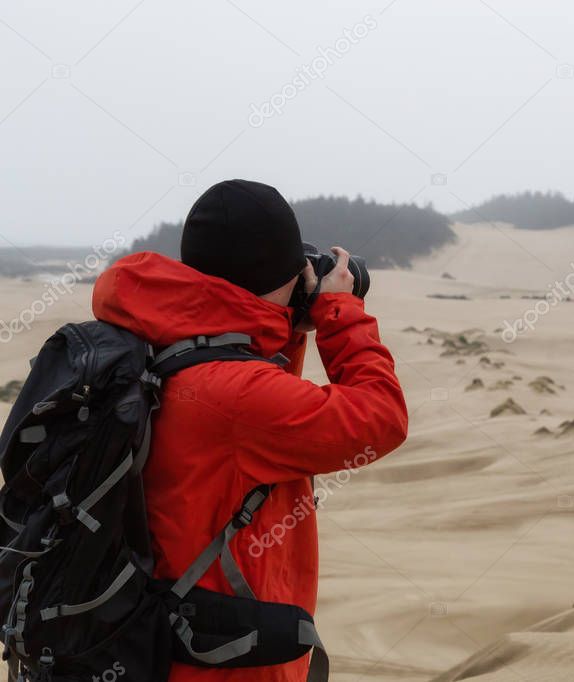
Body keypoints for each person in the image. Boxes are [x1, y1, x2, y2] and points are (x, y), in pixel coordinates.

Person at [91, 179, 409, 681]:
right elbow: (380, 419)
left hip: (157, 646)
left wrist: (277, 323)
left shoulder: (154, 338)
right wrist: (338, 310)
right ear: (276, 274)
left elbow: (253, 401)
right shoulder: (236, 395)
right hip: (222, 663)